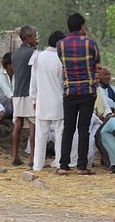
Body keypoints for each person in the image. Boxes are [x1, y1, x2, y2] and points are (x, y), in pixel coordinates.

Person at [56, 13, 101, 176]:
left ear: (68, 28)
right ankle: (82, 166)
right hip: (87, 91)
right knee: (83, 129)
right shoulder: (91, 44)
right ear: (82, 27)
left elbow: (62, 61)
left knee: (68, 128)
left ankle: (63, 166)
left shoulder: (60, 45)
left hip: (70, 91)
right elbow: (96, 64)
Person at [30, 31, 66, 172]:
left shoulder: (38, 56)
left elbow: (33, 81)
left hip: (42, 101)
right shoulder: (62, 58)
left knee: (41, 134)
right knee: (60, 134)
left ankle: (37, 165)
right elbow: (64, 81)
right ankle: (58, 162)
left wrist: (33, 98)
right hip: (59, 101)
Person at [11, 25, 38, 167]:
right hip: (30, 93)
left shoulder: (15, 54)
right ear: (28, 37)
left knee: (18, 124)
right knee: (33, 125)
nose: (36, 38)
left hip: (17, 93)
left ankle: (15, 155)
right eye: (34, 36)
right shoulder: (33, 54)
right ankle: (33, 158)